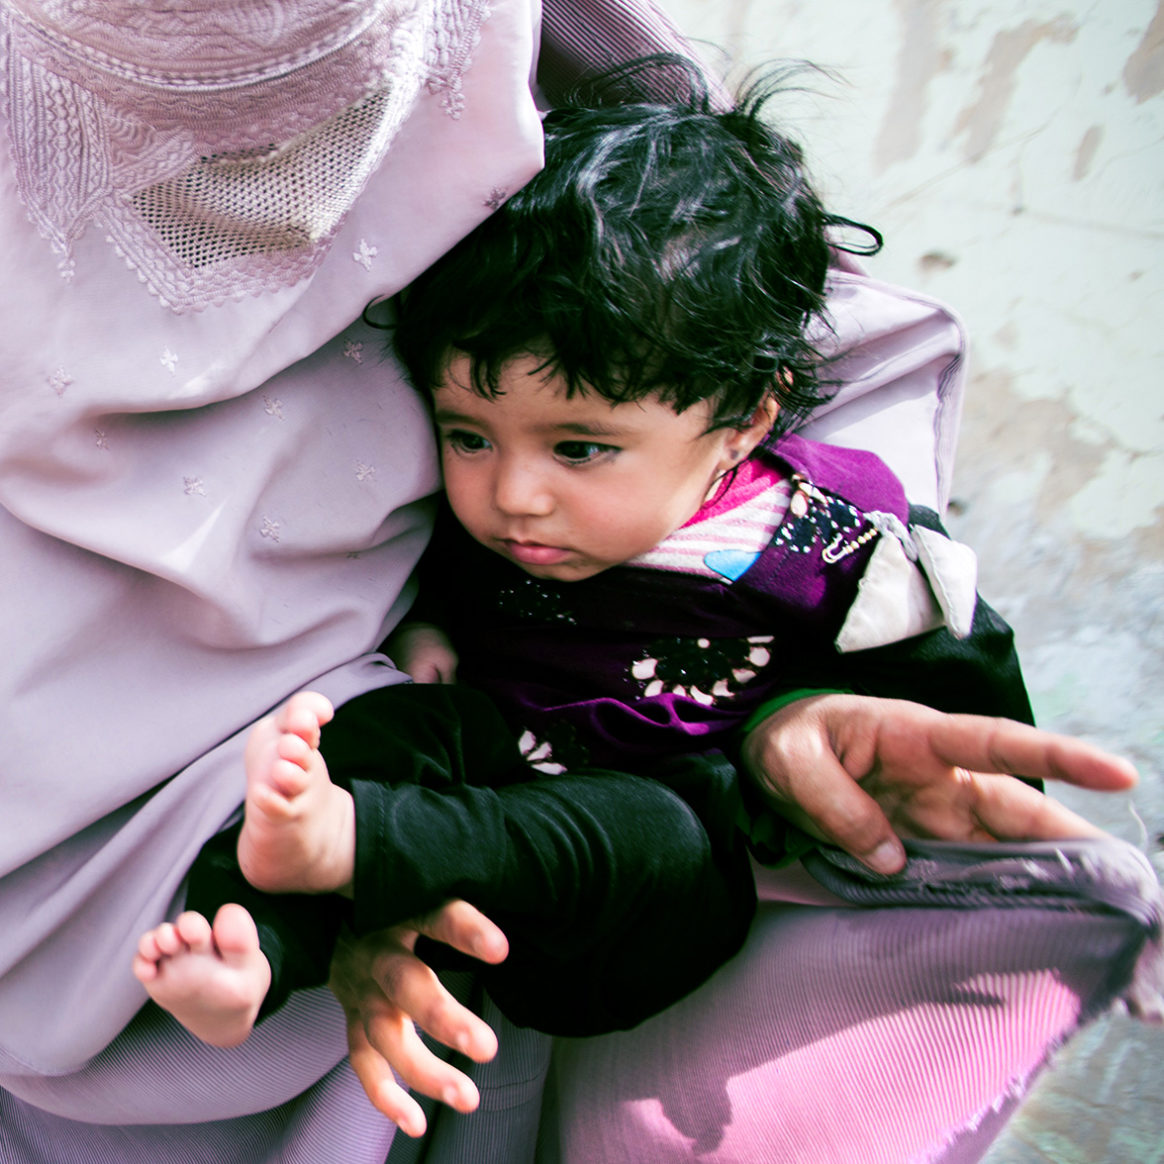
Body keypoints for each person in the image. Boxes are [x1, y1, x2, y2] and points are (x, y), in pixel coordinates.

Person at [0, 1, 1154, 1161]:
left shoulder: (820, 531)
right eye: (463, 438)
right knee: (339, 759)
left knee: (656, 834)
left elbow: (944, 702)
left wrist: (796, 723)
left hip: (624, 863)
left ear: (742, 423)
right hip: (419, 831)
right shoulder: (494, 432)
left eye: (580, 450)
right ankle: (260, 933)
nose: (517, 499)